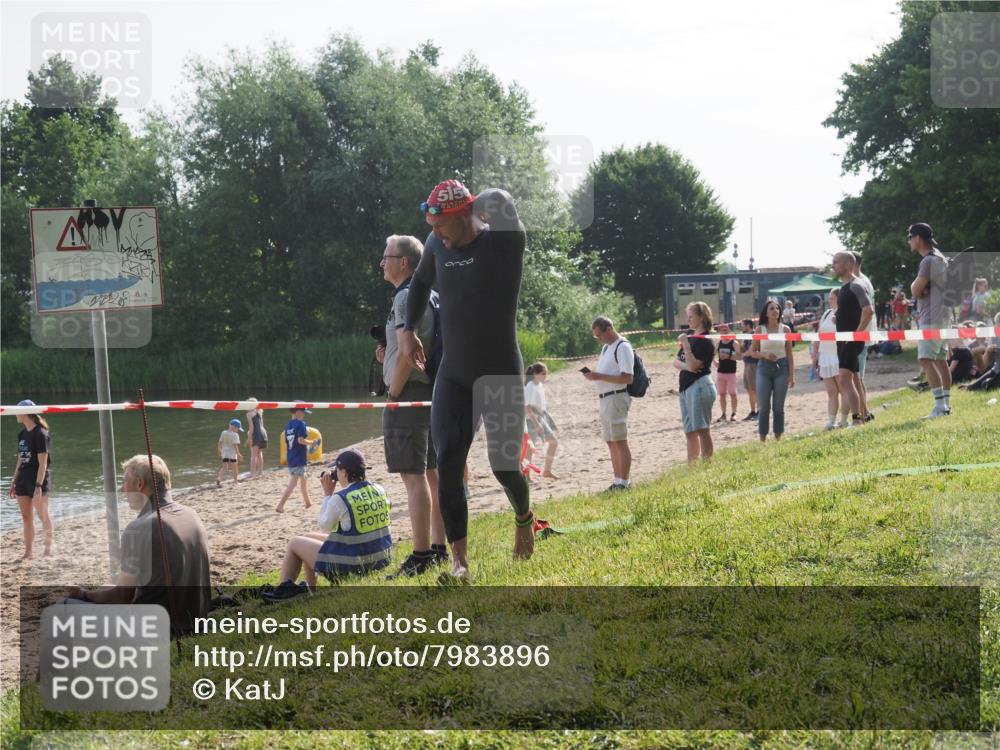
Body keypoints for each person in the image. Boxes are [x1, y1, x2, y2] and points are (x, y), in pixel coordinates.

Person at [400, 180, 533, 583]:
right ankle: (460, 564)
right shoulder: (438, 244)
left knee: (504, 466)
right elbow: (421, 283)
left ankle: (524, 518)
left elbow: (503, 200)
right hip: (454, 375)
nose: (435, 235)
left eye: (441, 226)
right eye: (432, 227)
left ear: (465, 216)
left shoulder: (503, 244)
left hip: (500, 372)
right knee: (449, 462)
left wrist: (475, 201)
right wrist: (408, 329)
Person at [66, 454, 211, 634]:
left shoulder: (139, 529)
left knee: (65, 606)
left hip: (160, 630)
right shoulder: (191, 515)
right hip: (196, 622)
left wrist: (84, 594)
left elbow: (122, 597)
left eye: (125, 481)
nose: (122, 488)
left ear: (139, 484)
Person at [377, 233, 447, 578]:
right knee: (433, 474)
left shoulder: (406, 296)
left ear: (403, 262)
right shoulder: (430, 295)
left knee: (413, 476)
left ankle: (420, 556)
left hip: (408, 396)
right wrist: (387, 357)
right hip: (432, 393)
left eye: (386, 256)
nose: (381, 263)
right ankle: (438, 548)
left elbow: (408, 350)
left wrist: (393, 390)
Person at [265, 449, 392, 600]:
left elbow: (324, 526)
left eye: (336, 470)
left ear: (344, 472)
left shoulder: (341, 498)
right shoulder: (379, 489)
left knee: (294, 542)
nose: (335, 475)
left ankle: (285, 589)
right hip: (380, 559)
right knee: (306, 538)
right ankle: (311, 589)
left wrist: (327, 495)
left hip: (354, 567)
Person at [908, 222, 953, 418]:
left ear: (918, 238)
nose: (909, 241)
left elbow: (915, 290)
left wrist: (918, 288)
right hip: (944, 315)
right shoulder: (941, 257)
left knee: (925, 360)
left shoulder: (927, 261)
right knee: (941, 361)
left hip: (931, 317)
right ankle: (946, 404)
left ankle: (940, 407)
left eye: (910, 237)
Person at [585, 316, 635, 490]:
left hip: (617, 396)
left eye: (599, 335)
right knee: (610, 440)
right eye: (596, 337)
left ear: (609, 329)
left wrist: (598, 376)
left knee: (620, 439)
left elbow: (627, 377)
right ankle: (617, 480)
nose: (599, 339)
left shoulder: (623, 347)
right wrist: (594, 375)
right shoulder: (607, 348)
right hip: (605, 397)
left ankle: (625, 482)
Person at [9, 400, 53, 560]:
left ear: (25, 412)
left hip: (37, 479)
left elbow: (43, 463)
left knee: (43, 516)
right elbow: (20, 460)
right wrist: (14, 481)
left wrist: (38, 486)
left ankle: (48, 550)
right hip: (23, 479)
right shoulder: (21, 434)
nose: (14, 414)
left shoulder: (40, 434)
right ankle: (28, 552)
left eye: (16, 411)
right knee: (26, 517)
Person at [674, 302, 717, 466]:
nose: (688, 319)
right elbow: (676, 362)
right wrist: (688, 366)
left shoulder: (705, 340)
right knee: (690, 431)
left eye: (691, 315)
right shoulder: (690, 336)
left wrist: (686, 346)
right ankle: (692, 466)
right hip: (686, 388)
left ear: (702, 316)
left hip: (699, 386)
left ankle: (707, 465)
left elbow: (693, 365)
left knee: (702, 429)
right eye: (688, 315)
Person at [748, 299, 795, 441]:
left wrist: (792, 375)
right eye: (772, 309)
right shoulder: (759, 329)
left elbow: (790, 354)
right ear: (766, 313)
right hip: (764, 367)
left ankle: (777, 439)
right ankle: (762, 439)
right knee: (764, 407)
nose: (775, 311)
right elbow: (752, 352)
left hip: (782, 368)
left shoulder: (786, 329)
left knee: (778, 407)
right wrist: (765, 354)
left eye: (777, 308)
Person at [811, 289, 848, 429]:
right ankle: (831, 421)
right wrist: (815, 357)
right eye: (830, 298)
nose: (830, 300)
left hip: (838, 355)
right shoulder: (827, 313)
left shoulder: (843, 313)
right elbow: (818, 335)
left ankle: (844, 420)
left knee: (843, 389)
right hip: (825, 356)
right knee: (831, 392)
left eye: (832, 298)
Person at [852, 252, 877, 422]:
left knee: (857, 377)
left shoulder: (859, 282)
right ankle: (865, 411)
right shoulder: (863, 280)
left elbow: (866, 310)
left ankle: (863, 413)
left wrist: (857, 331)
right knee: (857, 377)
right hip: (863, 333)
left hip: (860, 334)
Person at [524, 362, 560, 479]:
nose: (545, 376)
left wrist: (547, 421)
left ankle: (547, 471)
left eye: (546, 374)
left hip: (540, 418)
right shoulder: (529, 386)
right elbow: (527, 407)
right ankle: (526, 476)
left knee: (553, 442)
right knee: (529, 448)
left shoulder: (538, 385)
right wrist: (536, 424)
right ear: (535, 373)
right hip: (530, 420)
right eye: (543, 374)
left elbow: (540, 407)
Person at [275, 404, 313, 513]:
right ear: (297, 412)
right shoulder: (301, 424)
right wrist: (312, 442)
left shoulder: (288, 425)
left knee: (304, 480)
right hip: (299, 457)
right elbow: (301, 440)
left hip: (291, 456)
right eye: (303, 412)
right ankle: (280, 505)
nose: (304, 415)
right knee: (294, 483)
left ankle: (308, 502)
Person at [714, 322, 740, 422]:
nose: (724, 331)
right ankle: (723, 414)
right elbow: (712, 354)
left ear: (728, 330)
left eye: (725, 329)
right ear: (719, 331)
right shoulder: (718, 343)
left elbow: (740, 356)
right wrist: (715, 361)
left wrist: (729, 357)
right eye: (722, 329)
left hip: (731, 372)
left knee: (733, 394)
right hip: (721, 372)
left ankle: (734, 414)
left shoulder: (734, 343)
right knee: (722, 394)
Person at [739, 319, 759, 421]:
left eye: (742, 325)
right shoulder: (746, 337)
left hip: (754, 365)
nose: (741, 327)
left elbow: (751, 351)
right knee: (749, 389)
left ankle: (760, 411)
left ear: (748, 326)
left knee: (755, 389)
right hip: (747, 364)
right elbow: (742, 350)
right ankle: (753, 411)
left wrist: (742, 354)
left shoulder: (754, 335)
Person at [216, 418, 243, 486]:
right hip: (232, 454)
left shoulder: (223, 432)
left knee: (224, 467)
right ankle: (236, 481)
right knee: (235, 467)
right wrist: (239, 454)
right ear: (234, 427)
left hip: (224, 453)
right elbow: (235, 446)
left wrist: (219, 450)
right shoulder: (235, 435)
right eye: (237, 429)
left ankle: (219, 478)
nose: (237, 430)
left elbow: (220, 442)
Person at [246, 397, 267, 479]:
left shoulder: (249, 414)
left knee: (253, 455)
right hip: (264, 433)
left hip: (256, 434)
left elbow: (251, 427)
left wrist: (248, 438)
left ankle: (252, 474)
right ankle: (261, 472)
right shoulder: (260, 412)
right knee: (259, 454)